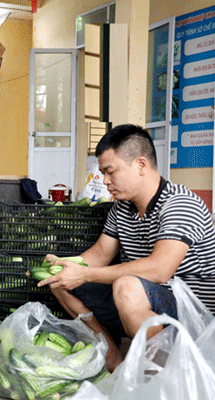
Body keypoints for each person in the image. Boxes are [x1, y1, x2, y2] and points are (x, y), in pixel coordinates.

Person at [38, 124, 215, 372]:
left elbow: (160, 270)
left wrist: (85, 274)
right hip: (141, 304)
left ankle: (157, 377)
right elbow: (100, 254)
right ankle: (115, 361)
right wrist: (66, 267)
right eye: (103, 173)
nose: (105, 181)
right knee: (59, 282)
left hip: (192, 317)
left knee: (127, 286)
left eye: (110, 172)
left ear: (141, 165)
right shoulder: (122, 208)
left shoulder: (180, 204)